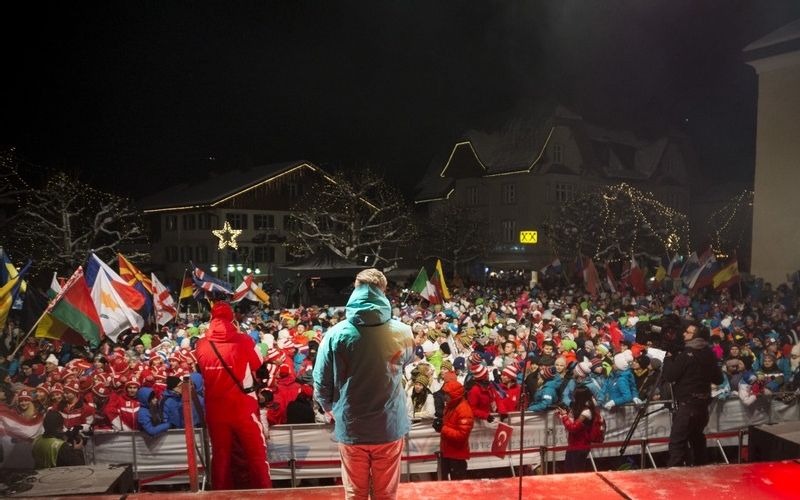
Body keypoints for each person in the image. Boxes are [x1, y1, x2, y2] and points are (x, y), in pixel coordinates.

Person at [313, 269, 415, 500]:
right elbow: (406, 361)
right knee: (385, 494)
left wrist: (331, 409)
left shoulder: (334, 334)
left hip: (351, 427)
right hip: (389, 426)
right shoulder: (403, 332)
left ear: (355, 290)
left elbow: (321, 382)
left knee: (355, 494)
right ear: (384, 291)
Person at [195, 300, 272, 490]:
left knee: (220, 457)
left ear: (211, 318)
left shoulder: (201, 344)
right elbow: (257, 363)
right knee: (257, 455)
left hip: (215, 409)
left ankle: (220, 494)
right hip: (243, 407)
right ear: (232, 318)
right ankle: (265, 493)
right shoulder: (243, 340)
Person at [662, 322, 724, 467]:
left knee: (677, 442)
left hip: (687, 405)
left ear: (696, 336)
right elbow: (719, 379)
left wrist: (668, 358)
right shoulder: (709, 353)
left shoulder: (686, 354)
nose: (684, 334)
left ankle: (675, 472)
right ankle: (700, 470)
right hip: (702, 406)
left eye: (688, 332)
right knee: (697, 438)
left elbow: (670, 376)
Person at [433, 379, 473, 480]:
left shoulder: (464, 410)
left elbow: (462, 436)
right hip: (447, 451)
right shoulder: (450, 406)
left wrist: (443, 428)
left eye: (447, 394)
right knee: (444, 482)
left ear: (454, 395)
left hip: (457, 455)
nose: (444, 397)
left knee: (458, 483)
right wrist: (439, 425)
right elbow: (448, 425)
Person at [557, 385, 595, 472]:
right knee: (568, 470)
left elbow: (573, 428)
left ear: (580, 398)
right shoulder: (579, 408)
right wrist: (563, 415)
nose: (573, 399)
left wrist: (564, 416)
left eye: (575, 397)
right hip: (573, 445)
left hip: (581, 446)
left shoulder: (586, 412)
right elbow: (572, 422)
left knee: (577, 473)